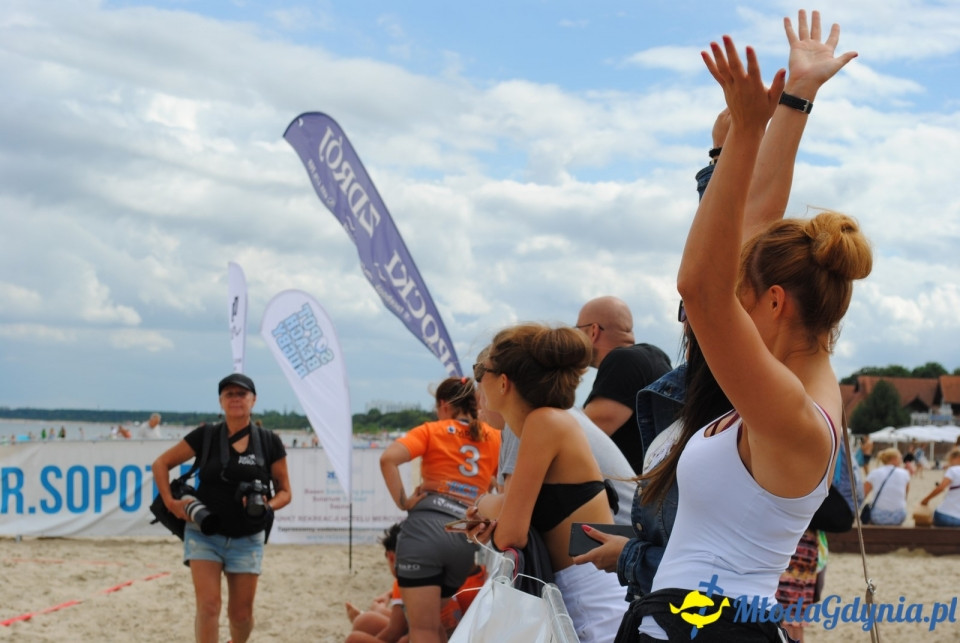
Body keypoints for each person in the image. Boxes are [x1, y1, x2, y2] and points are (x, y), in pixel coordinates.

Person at [574, 11, 857, 613]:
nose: (727, 305)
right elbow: (750, 224)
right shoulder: (785, 388)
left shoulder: (793, 413)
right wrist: (795, 98)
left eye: (742, 296)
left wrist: (746, 137)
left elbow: (701, 286)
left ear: (774, 301)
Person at [469, 324, 626, 643]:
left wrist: (484, 506)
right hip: (583, 592)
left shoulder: (544, 422)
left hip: (592, 602)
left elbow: (512, 530)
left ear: (502, 381)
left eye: (479, 370)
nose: (476, 381)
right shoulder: (547, 422)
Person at [152, 373, 291, 643]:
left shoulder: (268, 441)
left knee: (241, 616)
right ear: (221, 401)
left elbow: (285, 492)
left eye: (242, 394)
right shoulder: (206, 435)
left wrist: (266, 505)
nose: (236, 399)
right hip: (204, 532)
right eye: (230, 394)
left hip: (248, 537)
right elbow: (161, 464)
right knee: (208, 607)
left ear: (254, 400)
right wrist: (171, 503)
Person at [379, 377, 500, 643]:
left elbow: (388, 459)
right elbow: (500, 486)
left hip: (425, 530)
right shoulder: (494, 435)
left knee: (422, 630)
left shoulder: (433, 430)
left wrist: (404, 502)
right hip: (464, 536)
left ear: (443, 405)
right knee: (435, 627)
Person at [345, 522, 487, 643]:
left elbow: (395, 632)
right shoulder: (446, 575)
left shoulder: (410, 578)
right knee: (373, 615)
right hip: (444, 631)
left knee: (356, 635)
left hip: (429, 634)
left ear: (392, 556)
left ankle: (362, 617)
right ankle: (364, 616)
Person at [578, 295, 672, 473]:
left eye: (577, 329)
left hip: (633, 496)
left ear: (593, 331)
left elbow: (582, 436)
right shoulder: (654, 357)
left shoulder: (622, 361)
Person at [862, 447, 911, 525]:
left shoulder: (875, 473)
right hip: (898, 516)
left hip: (878, 516)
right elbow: (905, 496)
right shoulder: (905, 473)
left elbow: (863, 494)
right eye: (900, 458)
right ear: (893, 459)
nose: (901, 461)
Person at [920, 447, 960, 526]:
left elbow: (941, 488)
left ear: (957, 458)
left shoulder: (953, 470)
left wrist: (925, 500)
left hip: (946, 515)